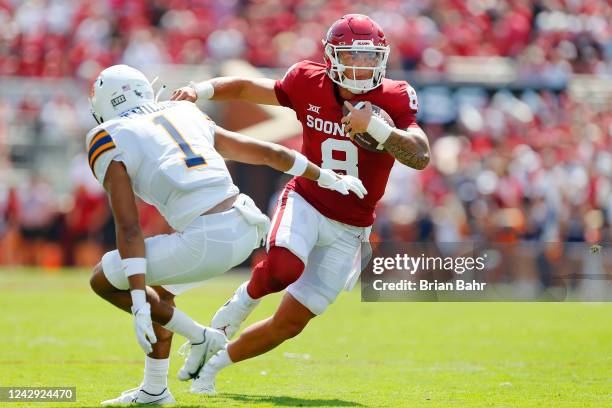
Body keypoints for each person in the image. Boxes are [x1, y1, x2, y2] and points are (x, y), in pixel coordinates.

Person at [172, 13, 430, 394]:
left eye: (369, 57)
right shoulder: (307, 81)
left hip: (352, 225)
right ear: (331, 58)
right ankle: (238, 304)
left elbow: (420, 154)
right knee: (283, 267)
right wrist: (201, 90)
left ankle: (212, 366)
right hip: (307, 198)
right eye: (352, 57)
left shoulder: (393, 97)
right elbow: (245, 88)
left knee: (289, 324)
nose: (361, 67)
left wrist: (377, 128)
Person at [87, 64, 367, 404]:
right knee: (158, 293)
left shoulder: (108, 135)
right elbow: (269, 153)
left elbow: (128, 226)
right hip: (245, 222)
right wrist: (330, 177)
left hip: (206, 237)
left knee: (104, 279)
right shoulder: (181, 111)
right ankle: (155, 389)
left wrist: (137, 304)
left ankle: (200, 336)